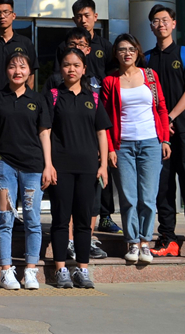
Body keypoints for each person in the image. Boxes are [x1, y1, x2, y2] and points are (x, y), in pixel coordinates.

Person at [0, 51, 52, 291]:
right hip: (5, 165)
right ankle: (5, 271)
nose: (17, 71)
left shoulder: (38, 99)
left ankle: (31, 270)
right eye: (13, 66)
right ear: (6, 70)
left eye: (22, 67)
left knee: (33, 219)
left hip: (33, 167)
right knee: (5, 218)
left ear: (30, 71)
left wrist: (48, 164)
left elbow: (44, 133)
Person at [52, 0, 120, 235]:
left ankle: (105, 216)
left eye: (87, 15)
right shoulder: (65, 48)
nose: (83, 19)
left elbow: (113, 77)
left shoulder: (105, 46)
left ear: (95, 17)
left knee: (102, 168)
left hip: (98, 112)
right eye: (79, 16)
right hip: (71, 115)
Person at [144, 5, 185, 260]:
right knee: (163, 187)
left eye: (164, 20)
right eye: (155, 21)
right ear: (151, 27)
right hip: (158, 134)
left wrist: (169, 117)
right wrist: (160, 122)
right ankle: (167, 238)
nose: (160, 24)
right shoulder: (146, 59)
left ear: (173, 23)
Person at [101, 33, 170, 265]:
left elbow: (161, 108)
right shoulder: (110, 81)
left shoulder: (150, 76)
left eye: (131, 49)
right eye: (122, 49)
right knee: (129, 196)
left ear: (138, 51)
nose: (127, 53)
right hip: (123, 145)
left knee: (148, 197)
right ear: (116, 54)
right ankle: (132, 241)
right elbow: (106, 118)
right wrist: (110, 148)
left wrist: (165, 139)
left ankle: (145, 241)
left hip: (151, 142)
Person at [45, 48, 111, 289]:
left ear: (84, 69)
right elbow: (46, 131)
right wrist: (48, 164)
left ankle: (82, 269)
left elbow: (102, 133)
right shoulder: (53, 96)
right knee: (61, 219)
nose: (71, 69)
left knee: (84, 221)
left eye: (76, 65)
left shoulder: (93, 97)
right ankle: (61, 269)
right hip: (60, 167)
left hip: (87, 168)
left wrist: (103, 165)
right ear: (60, 69)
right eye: (66, 64)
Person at [0, 0, 38, 93]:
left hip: (17, 97)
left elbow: (31, 75)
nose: (2, 16)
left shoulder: (25, 42)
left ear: (13, 15)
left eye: (6, 12)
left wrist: (25, 97)